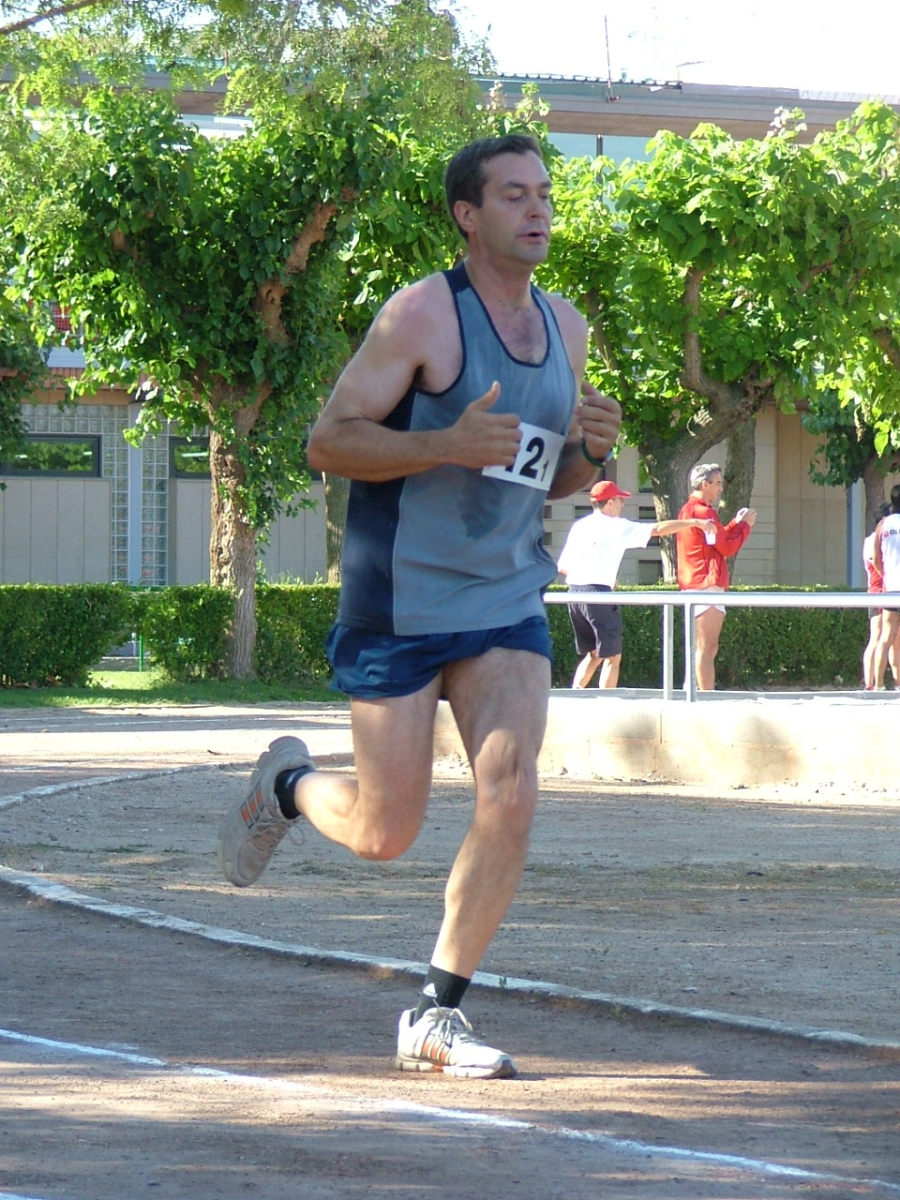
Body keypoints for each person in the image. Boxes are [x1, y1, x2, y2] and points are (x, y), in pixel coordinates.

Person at [217, 134, 621, 1079]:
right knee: (383, 832)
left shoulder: (566, 327)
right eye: (513, 195)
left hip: (505, 593)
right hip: (401, 598)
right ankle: (287, 786)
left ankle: (436, 1013)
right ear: (467, 215)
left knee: (510, 791)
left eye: (543, 192)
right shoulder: (421, 315)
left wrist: (592, 452)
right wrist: (444, 443)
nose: (536, 208)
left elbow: (544, 475)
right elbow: (328, 443)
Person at [557, 479, 714, 688]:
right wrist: (694, 523)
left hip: (574, 593)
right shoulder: (617, 526)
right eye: (619, 500)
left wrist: (597, 576)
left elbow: (562, 566)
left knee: (593, 653)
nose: (622, 504)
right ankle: (605, 703)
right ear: (609, 502)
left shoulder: (580, 526)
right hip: (597, 594)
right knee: (612, 657)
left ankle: (575, 695)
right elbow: (658, 528)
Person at [675, 463, 756, 692]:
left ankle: (692, 694)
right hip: (706, 585)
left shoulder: (689, 511)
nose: (721, 488)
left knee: (699, 648)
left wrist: (737, 524)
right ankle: (705, 699)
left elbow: (717, 540)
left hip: (694, 584)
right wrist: (745, 526)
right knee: (707, 648)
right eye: (718, 483)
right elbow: (726, 548)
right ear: (705, 484)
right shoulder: (704, 512)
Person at [871, 485, 900, 690]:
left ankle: (879, 684)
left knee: (886, 637)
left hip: (891, 589)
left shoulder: (882, 525)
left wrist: (885, 576)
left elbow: (875, 558)